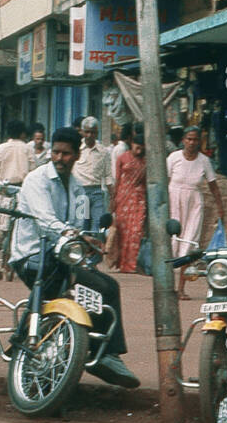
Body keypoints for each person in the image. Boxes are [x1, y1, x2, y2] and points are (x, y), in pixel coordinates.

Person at [9, 127, 139, 389]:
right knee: (55, 287)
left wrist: (88, 239)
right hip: (32, 255)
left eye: (66, 153)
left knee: (107, 287)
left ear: (77, 155)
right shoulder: (37, 180)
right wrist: (74, 234)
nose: (59, 158)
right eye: (56, 152)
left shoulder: (79, 189)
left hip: (65, 257)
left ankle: (107, 354)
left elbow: (80, 222)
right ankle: (26, 342)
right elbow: (46, 220)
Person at [167, 126, 224, 298]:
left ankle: (181, 288)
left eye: (195, 139)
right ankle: (167, 287)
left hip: (194, 205)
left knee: (189, 244)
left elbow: (213, 186)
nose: (192, 143)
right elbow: (163, 182)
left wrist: (220, 207)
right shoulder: (174, 157)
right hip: (173, 201)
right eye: (189, 139)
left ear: (200, 141)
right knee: (171, 243)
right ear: (183, 140)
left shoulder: (204, 161)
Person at [111, 123, 147, 273]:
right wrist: (113, 199)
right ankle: (122, 263)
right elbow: (117, 179)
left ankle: (131, 264)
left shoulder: (147, 161)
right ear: (132, 144)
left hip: (139, 198)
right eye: (137, 147)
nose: (139, 150)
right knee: (122, 231)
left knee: (136, 231)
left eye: (142, 148)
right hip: (123, 197)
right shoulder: (122, 158)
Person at [72, 116, 111, 232]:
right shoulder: (76, 149)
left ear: (97, 133)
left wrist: (112, 196)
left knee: (98, 225)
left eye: (93, 132)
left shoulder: (103, 152)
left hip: (97, 192)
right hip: (80, 193)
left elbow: (108, 176)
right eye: (87, 132)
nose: (89, 135)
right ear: (82, 132)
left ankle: (94, 249)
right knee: (81, 224)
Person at [0, 119, 33, 187]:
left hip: (4, 187)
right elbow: (33, 168)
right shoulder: (28, 149)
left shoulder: (0, 148)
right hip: (23, 186)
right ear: (22, 133)